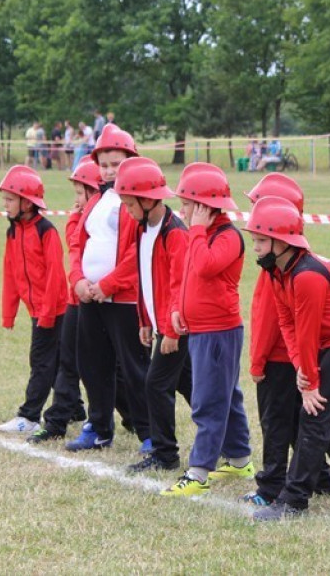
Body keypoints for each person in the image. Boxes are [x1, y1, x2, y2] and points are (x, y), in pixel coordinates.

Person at [242, 196, 330, 521]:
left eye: (262, 241)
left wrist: (308, 383)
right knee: (324, 416)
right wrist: (300, 369)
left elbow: (306, 334)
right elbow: (287, 323)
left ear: (282, 242)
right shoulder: (278, 272)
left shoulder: (306, 276)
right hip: (328, 342)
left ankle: (293, 502)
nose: (256, 248)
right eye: (255, 241)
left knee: (315, 416)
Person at [241, 174, 330, 507]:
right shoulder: (287, 260)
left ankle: (270, 488)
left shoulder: (276, 268)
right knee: (298, 421)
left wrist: (256, 362)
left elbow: (269, 320)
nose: (254, 219)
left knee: (276, 424)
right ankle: (320, 478)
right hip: (291, 359)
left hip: (278, 360)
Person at [161, 162, 251, 497]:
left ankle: (199, 471)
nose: (181, 209)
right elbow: (185, 277)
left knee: (208, 400)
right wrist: (176, 310)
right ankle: (240, 458)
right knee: (226, 397)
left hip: (219, 331)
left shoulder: (227, 237)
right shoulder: (200, 236)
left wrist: (196, 229)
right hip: (200, 329)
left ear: (204, 207)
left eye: (186, 203)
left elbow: (205, 265)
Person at [65, 124, 152, 452]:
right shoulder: (96, 200)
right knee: (93, 365)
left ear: (131, 160)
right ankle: (98, 426)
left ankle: (149, 433)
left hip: (124, 300)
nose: (109, 170)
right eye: (104, 164)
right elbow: (78, 243)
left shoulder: (136, 203)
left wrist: (109, 284)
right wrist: (78, 281)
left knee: (133, 369)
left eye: (116, 163)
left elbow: (137, 253)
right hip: (90, 298)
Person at [114, 157, 193, 475]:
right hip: (160, 323)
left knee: (155, 384)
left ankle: (165, 454)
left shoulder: (175, 233)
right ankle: (231, 446)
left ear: (148, 200)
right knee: (194, 389)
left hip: (177, 326)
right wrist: (144, 319)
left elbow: (180, 285)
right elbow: (143, 276)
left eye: (129, 204)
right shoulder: (141, 228)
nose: (127, 211)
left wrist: (171, 330)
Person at [27, 159, 102, 443]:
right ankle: (57, 421)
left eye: (81, 194)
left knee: (113, 370)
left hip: (100, 303)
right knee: (67, 363)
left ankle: (135, 420)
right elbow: (73, 246)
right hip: (75, 302)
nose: (76, 201)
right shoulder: (78, 219)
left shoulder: (107, 221)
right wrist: (77, 215)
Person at [0, 166, 68, 436]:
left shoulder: (46, 231)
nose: (5, 204)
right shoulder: (12, 232)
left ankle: (29, 416)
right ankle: (75, 409)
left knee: (41, 362)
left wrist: (47, 314)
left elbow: (56, 277)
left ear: (27, 202)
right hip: (37, 310)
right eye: (4, 199)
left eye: (10, 199)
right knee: (62, 362)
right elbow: (10, 272)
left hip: (54, 310)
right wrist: (8, 313)